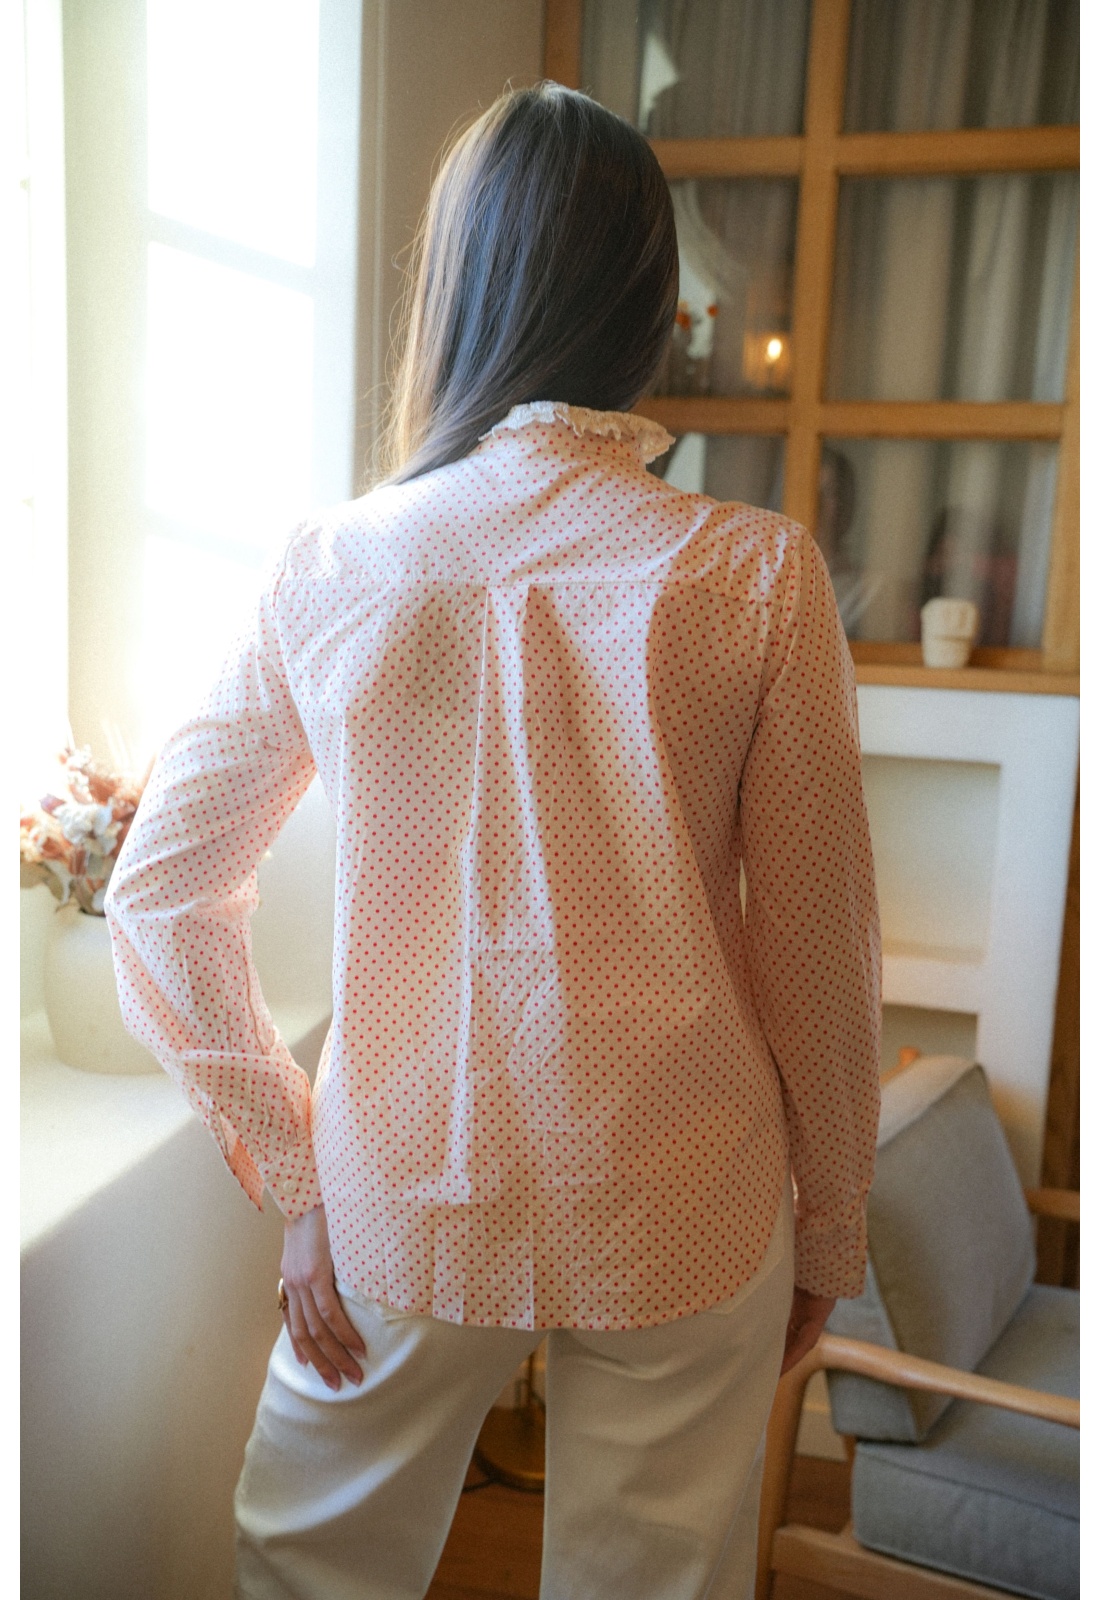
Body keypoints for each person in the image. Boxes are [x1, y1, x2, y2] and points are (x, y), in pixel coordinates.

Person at [106, 83, 881, 1600]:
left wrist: (297, 1171)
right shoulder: (757, 576)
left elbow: (161, 897)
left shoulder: (332, 564)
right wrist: (831, 1227)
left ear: (456, 290)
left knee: (308, 1569)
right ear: (650, 303)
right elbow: (816, 949)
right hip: (690, 1186)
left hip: (401, 1188)